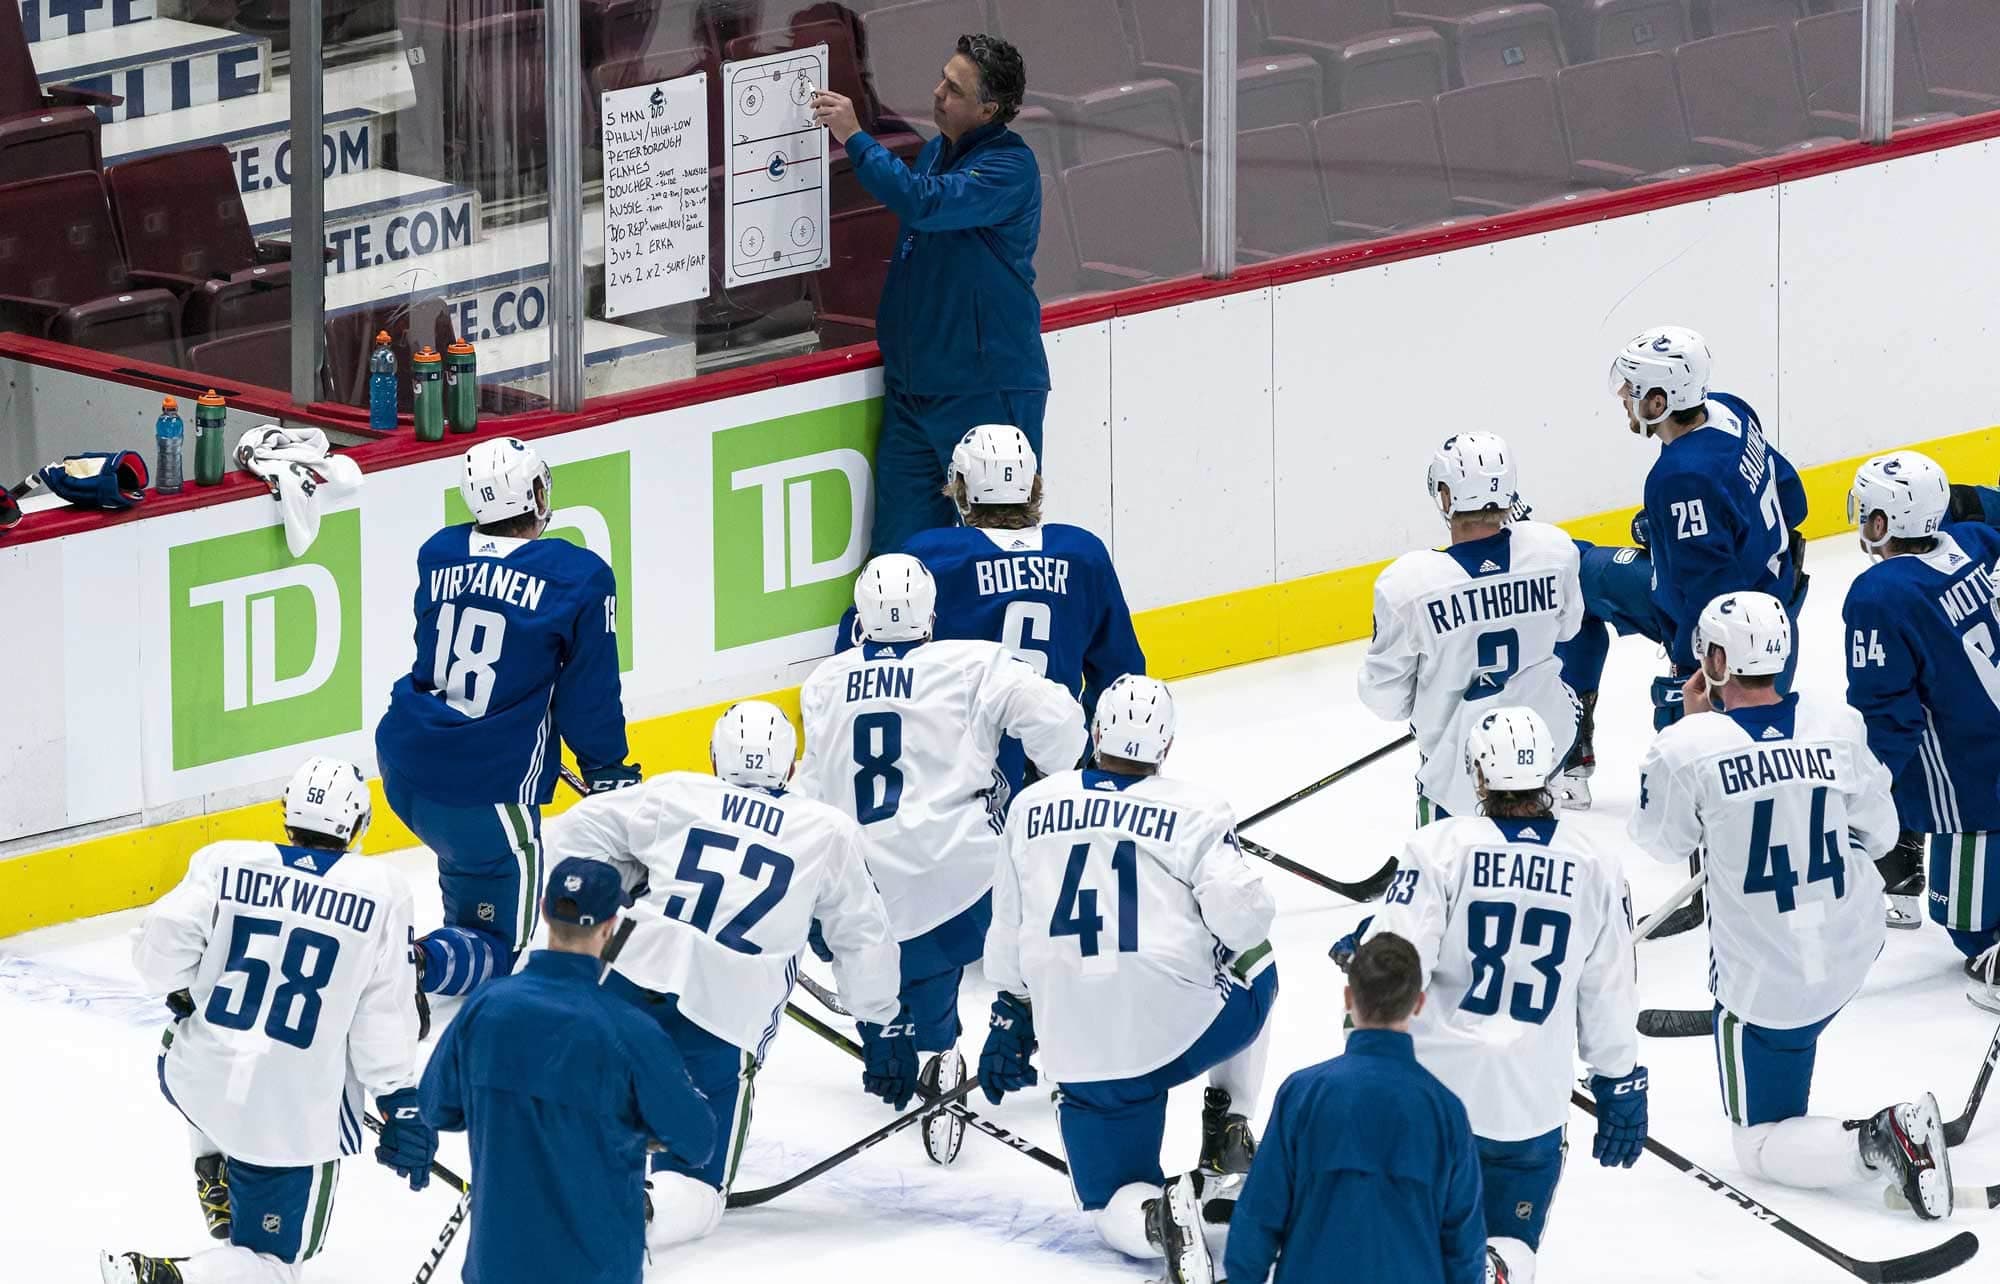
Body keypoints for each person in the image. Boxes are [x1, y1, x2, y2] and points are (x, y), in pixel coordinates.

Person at [1630, 591, 1955, 1220]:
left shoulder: (1686, 748)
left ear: (1716, 658)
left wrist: (1685, 726)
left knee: (1757, 1144)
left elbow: (1661, 841)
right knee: (1807, 1003)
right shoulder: (1836, 724)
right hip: (1852, 945)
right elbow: (1883, 835)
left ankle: (1879, 1137)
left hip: (1767, 986)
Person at [545, 700, 903, 1246]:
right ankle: (638, 1212)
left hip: (630, 972)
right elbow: (863, 936)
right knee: (697, 1187)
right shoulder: (827, 830)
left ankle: (547, 1185)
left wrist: (622, 880)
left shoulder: (674, 793)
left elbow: (571, 836)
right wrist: (876, 1021)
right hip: (724, 1011)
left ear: (715, 757)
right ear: (789, 767)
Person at [980, 676, 1278, 1284]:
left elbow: (1009, 925)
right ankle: (1229, 1121)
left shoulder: (1031, 806)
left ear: (1094, 734)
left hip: (1081, 1047)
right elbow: (1246, 919)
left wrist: (1013, 1012)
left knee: (1109, 1201)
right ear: (1166, 747)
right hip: (1181, 1029)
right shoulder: (1197, 808)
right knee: (1258, 960)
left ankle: (1159, 1218)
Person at [794, 553, 1086, 1164]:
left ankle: (906, 1026)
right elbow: (1063, 727)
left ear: (861, 619)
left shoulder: (823, 683)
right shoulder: (974, 664)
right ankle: (1019, 1019)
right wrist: (1056, 776)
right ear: (931, 613)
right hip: (968, 895)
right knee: (1029, 874)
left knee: (876, 922)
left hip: (861, 897)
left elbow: (810, 797)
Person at [103, 758, 436, 1284]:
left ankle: (214, 1159)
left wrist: (189, 988)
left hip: (196, 1082)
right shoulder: (381, 890)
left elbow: (159, 951)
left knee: (194, 1045)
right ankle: (170, 1277)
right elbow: (382, 1017)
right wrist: (400, 1101)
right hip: (287, 1122)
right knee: (273, 1266)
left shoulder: (226, 861)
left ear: (287, 814)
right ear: (357, 825)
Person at [1347, 706, 1645, 1284]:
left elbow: (1395, 964)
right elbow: (1608, 988)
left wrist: (1367, 943)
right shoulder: (1597, 864)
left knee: (1411, 1238)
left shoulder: (1440, 846)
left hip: (1434, 1094)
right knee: (1509, 1246)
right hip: (1529, 1102)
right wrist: (1619, 1079)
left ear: (1478, 774)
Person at [376, 436, 641, 1007]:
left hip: (407, 764)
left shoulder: (439, 552)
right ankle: (409, 964)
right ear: (536, 492)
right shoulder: (580, 576)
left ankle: (440, 950)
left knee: (470, 882)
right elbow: (587, 691)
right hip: (485, 791)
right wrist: (606, 767)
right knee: (506, 947)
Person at [419, 857, 716, 1284]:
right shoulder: (631, 1032)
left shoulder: (486, 1006)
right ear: (612, 926)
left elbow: (436, 1108)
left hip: (495, 1266)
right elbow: (697, 1141)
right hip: (594, 1269)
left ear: (543, 909)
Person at [809, 36, 1049, 555]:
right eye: (942, 77)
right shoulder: (939, 148)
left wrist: (853, 135)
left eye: (954, 89)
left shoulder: (1011, 170)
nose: (937, 92)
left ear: (989, 109)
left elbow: (924, 204)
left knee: (998, 552)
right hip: (915, 391)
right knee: (901, 553)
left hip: (985, 392)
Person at [1602, 325, 1808, 931]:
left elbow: (1706, 591)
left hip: (1731, 634)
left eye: (1632, 390)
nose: (1624, 399)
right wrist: (1661, 527)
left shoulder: (1678, 478)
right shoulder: (1732, 410)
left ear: (1661, 400)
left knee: (1687, 738)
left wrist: (1690, 666)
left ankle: (1710, 883)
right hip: (1778, 600)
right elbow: (1791, 497)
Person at [839, 424, 1145, 800]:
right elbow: (1122, 673)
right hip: (1054, 770)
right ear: (1033, 484)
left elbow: (856, 652)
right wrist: (1088, 761)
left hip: (955, 777)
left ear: (962, 491)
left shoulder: (933, 555)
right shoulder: (1083, 552)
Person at [1224, 933, 1485, 1284]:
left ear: (1349, 998)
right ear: (1419, 1004)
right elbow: (1464, 1246)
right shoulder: (1446, 1112)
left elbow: (1258, 1216)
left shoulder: (1303, 1094)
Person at [1359, 432, 1583, 824]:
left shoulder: (1408, 585)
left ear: (1446, 497)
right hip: (1543, 753)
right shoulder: (1555, 550)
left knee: (1448, 877)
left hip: (1459, 777)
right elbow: (1568, 629)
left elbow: (1384, 698)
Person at [1843, 451, 2000, 993]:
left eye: (1866, 509)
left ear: (1883, 522)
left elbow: (1889, 718)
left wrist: (1860, 790)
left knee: (1973, 935)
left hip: (1970, 787)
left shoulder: (1879, 595)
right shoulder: (1978, 541)